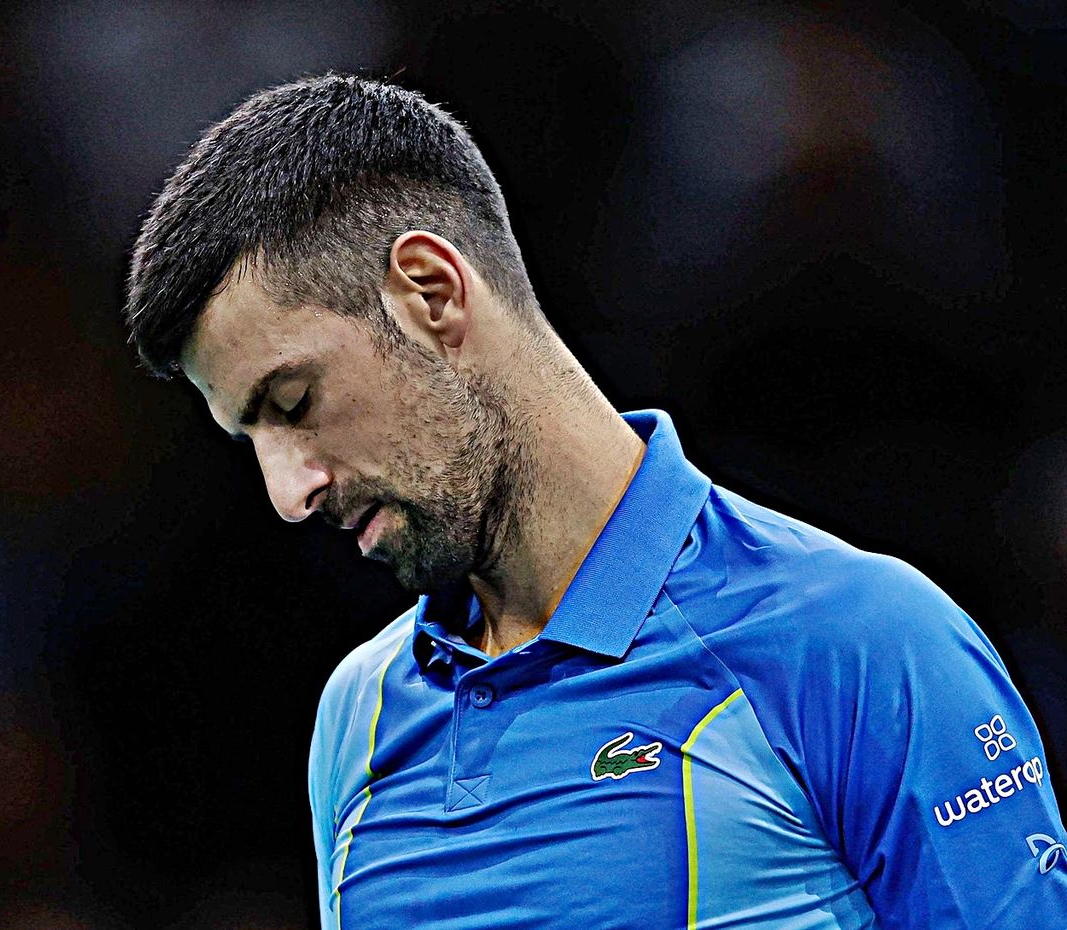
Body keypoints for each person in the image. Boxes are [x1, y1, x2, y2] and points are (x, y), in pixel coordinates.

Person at [122, 74, 1067, 929]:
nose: (288, 493)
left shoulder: (857, 638)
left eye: (295, 403)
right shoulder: (355, 717)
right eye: (251, 440)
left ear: (431, 293)